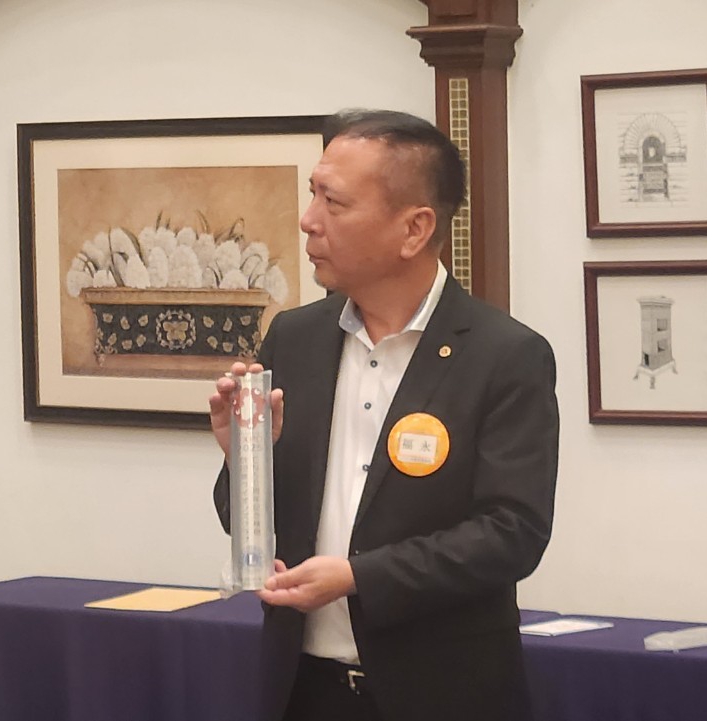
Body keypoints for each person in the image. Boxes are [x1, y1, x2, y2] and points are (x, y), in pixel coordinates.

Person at [209, 109, 559, 721]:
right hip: (303, 689)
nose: (308, 219)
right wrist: (245, 461)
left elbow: (511, 535)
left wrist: (358, 577)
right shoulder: (294, 338)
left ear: (414, 229)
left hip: (442, 694)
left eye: (334, 202)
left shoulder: (504, 355)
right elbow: (253, 525)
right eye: (312, 194)